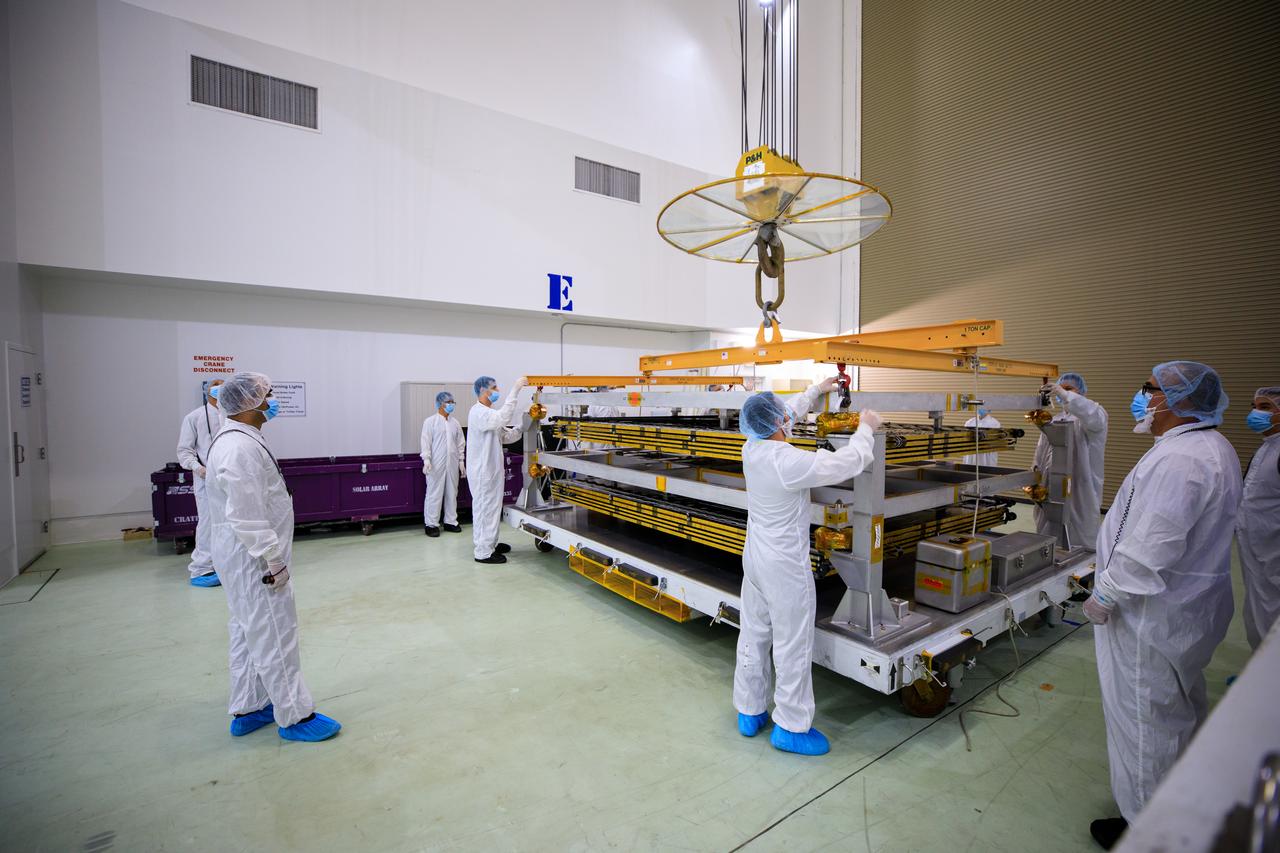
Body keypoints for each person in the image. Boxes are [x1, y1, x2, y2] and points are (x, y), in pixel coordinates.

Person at [1083, 361, 1241, 849]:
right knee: (1176, 707)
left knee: (1145, 719)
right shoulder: (1207, 448)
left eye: (1148, 389)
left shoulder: (1183, 461)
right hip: (1185, 609)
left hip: (1150, 615)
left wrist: (1106, 593)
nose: (1141, 396)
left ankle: (1152, 832)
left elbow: (1152, 542)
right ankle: (1183, 802)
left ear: (1175, 402)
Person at [734, 379, 881, 756]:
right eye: (784, 415)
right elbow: (846, 462)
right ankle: (791, 727)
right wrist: (866, 428)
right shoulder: (788, 462)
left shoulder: (752, 447)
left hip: (755, 558)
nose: (789, 416)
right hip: (784, 565)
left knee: (754, 632)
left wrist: (818, 389)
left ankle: (749, 709)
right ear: (777, 424)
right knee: (792, 643)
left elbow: (788, 414)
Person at [204, 372, 341, 743]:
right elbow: (245, 514)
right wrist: (272, 559)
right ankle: (295, 715)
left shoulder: (239, 439)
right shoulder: (239, 448)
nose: (272, 400)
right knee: (275, 633)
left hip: (242, 556)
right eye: (268, 394)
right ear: (249, 404)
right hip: (255, 560)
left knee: (248, 631)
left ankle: (250, 706)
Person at [1032, 372, 1109, 550]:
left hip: (1080, 487)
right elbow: (1041, 452)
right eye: (1061, 388)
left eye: (1068, 389)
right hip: (1052, 485)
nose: (1062, 393)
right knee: (1049, 529)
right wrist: (1035, 476)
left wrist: (1065, 395)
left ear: (1080, 392)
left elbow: (1092, 413)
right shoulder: (1055, 420)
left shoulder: (1092, 418)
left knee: (1078, 532)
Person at [466, 375, 528, 564]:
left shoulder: (489, 415)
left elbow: (508, 436)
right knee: (485, 509)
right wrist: (515, 390)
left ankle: (490, 543)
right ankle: (483, 552)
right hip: (483, 472)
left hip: (491, 470)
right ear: (484, 391)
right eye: (495, 387)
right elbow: (503, 417)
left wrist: (526, 422)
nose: (497, 390)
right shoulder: (479, 413)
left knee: (492, 509)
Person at [1237, 385, 1280, 650]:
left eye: (1265, 407)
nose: (1256, 413)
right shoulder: (1267, 447)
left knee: (1271, 607)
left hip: (1274, 548)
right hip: (1256, 546)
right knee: (1258, 604)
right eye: (1254, 407)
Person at [176, 379, 224, 587]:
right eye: (217, 384)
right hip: (206, 479)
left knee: (231, 523)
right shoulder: (194, 417)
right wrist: (199, 469)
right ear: (208, 391)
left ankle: (224, 564)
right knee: (208, 523)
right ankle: (201, 569)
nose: (222, 388)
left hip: (229, 477)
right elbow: (184, 451)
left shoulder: (232, 416)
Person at [421, 391, 466, 537]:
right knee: (434, 493)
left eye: (453, 402)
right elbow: (425, 441)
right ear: (440, 404)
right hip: (435, 464)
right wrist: (426, 459)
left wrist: (461, 461)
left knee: (452, 492)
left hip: (452, 464)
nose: (451, 404)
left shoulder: (455, 423)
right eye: (448, 402)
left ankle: (450, 521)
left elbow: (460, 443)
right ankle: (431, 524)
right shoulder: (430, 422)